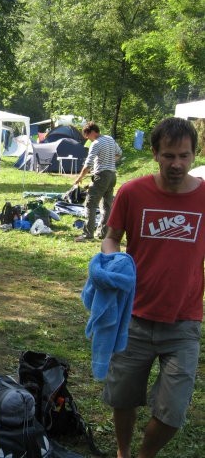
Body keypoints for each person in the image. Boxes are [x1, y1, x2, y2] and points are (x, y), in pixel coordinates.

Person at [101, 117, 205, 458]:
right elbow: (111, 237)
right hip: (134, 317)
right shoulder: (132, 192)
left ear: (194, 155)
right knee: (123, 397)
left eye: (184, 156)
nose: (177, 164)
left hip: (184, 320)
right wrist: (111, 262)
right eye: (169, 155)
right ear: (155, 154)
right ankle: (123, 452)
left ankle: (144, 456)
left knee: (173, 411)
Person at [73, 121, 122, 242]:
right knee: (106, 205)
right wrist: (109, 161)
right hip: (112, 175)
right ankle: (102, 233)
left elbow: (88, 164)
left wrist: (79, 178)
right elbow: (119, 153)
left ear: (93, 132)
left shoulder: (96, 143)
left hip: (101, 176)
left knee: (90, 204)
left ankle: (87, 234)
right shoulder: (109, 139)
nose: (88, 139)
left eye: (87, 136)